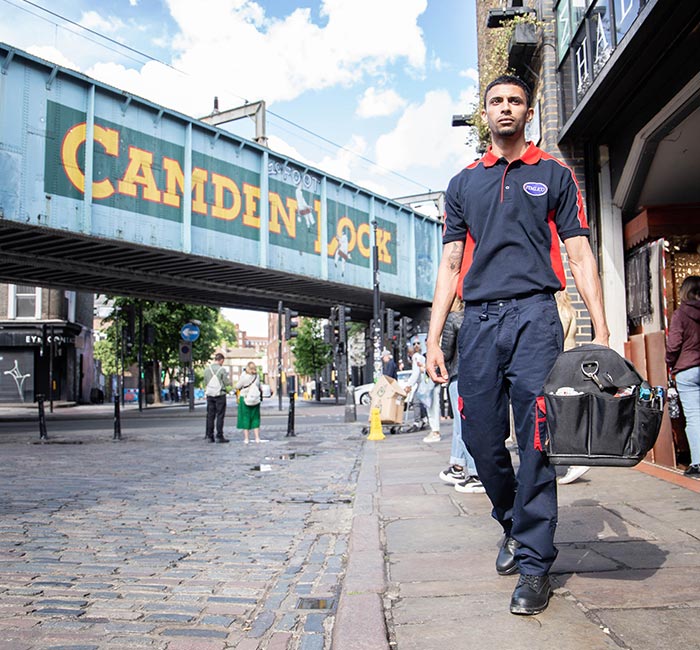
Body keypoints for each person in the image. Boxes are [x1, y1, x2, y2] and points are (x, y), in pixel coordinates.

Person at [426, 75, 610, 616]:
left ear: (528, 113)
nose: (505, 109)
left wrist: (600, 333)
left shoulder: (553, 174)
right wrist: (434, 339)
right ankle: (510, 521)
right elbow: (451, 265)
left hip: (536, 317)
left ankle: (534, 565)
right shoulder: (462, 184)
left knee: (537, 441)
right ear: (484, 114)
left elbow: (578, 254)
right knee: (481, 441)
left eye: (515, 102)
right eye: (496, 102)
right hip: (479, 322)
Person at [438, 296, 484, 493]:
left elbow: (446, 351)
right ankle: (458, 465)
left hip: (459, 375)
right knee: (467, 424)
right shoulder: (486, 316)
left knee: (463, 425)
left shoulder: (455, 318)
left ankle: (475, 472)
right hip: (482, 375)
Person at [666, 275, 700, 476]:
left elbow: (673, 345)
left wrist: (670, 363)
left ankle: (697, 462)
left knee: (695, 416)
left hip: (687, 370)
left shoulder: (680, 314)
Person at [555, 290, 590, 485]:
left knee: (562, 414)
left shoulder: (561, 311)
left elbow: (557, 338)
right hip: (571, 363)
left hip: (562, 366)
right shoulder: (571, 309)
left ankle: (575, 461)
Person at [405, 341, 442, 443]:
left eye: (417, 344)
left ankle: (434, 430)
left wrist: (409, 384)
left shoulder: (417, 356)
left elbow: (416, 373)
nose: (416, 346)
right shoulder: (425, 355)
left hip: (429, 382)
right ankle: (430, 425)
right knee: (429, 405)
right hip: (430, 381)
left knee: (430, 405)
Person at [204, 353, 231, 443]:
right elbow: (226, 383)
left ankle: (209, 435)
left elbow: (205, 382)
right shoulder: (222, 369)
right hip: (220, 394)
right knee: (220, 415)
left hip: (210, 395)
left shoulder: (207, 370)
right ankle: (219, 436)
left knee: (210, 415)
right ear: (221, 360)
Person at [236, 361, 262, 444]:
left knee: (245, 417)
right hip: (255, 399)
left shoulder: (244, 377)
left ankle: (246, 439)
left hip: (245, 399)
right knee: (255, 418)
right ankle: (257, 438)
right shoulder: (257, 377)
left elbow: (237, 386)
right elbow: (258, 386)